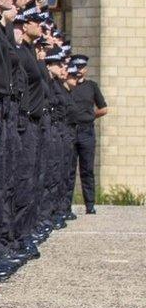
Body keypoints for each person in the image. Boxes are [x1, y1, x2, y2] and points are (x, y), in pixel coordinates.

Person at [66, 59, 105, 213]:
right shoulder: (69, 85)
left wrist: (89, 116)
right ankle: (65, 206)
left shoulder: (91, 86)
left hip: (86, 130)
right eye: (77, 67)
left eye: (82, 67)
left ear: (86, 69)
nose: (79, 70)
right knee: (68, 169)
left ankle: (90, 205)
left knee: (87, 169)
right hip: (70, 129)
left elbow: (103, 108)